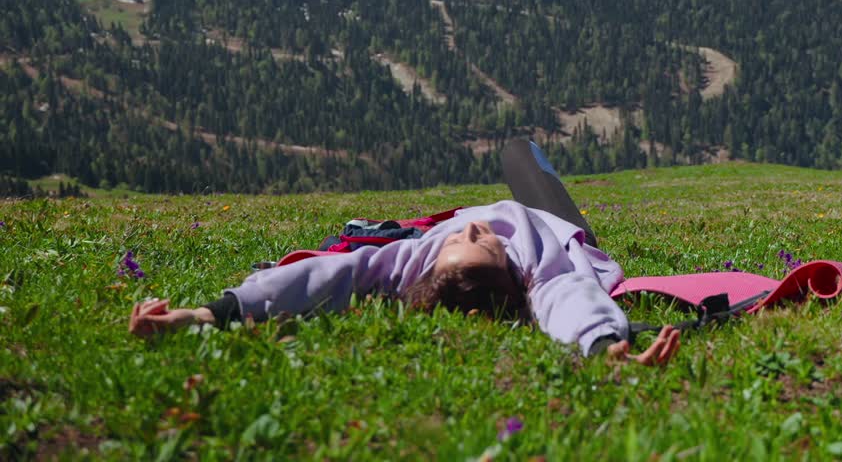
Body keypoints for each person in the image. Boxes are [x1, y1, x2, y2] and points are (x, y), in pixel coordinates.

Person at [129, 143, 681, 365]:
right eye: (480, 242)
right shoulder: (543, 270)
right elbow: (571, 300)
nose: (476, 230)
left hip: (474, 242)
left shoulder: (412, 262)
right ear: (512, 280)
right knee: (520, 153)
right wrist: (606, 345)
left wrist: (206, 314)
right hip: (557, 220)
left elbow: (327, 276)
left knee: (514, 148)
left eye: (466, 240)